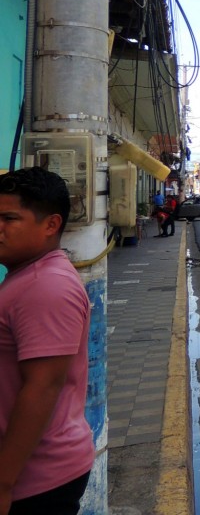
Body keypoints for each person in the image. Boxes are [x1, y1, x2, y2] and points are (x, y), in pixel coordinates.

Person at [0, 167, 94, 515]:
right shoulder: (26, 274)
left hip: (35, 479)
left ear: (51, 225)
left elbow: (41, 388)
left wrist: (3, 483)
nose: (0, 227)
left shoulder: (45, 286)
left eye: (9, 218)